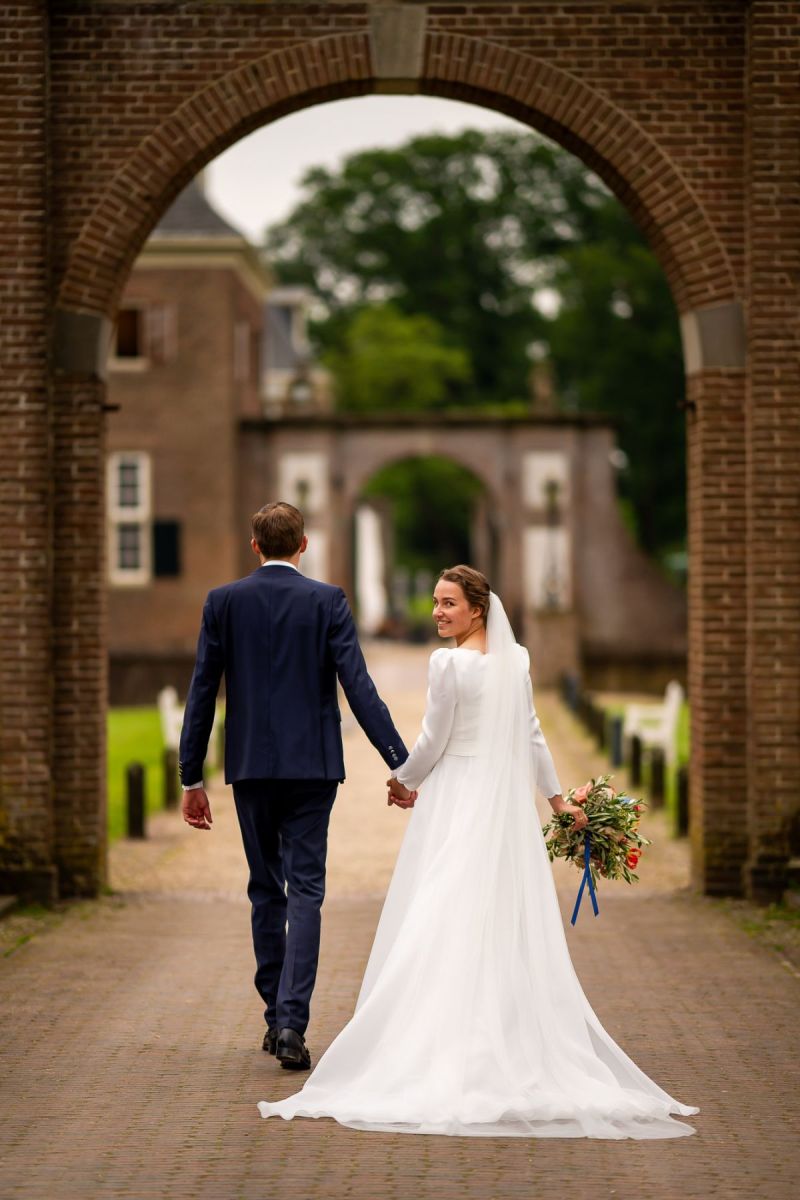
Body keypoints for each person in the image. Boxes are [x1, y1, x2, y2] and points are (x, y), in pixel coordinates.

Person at [257, 565, 700, 1139]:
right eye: (436, 603)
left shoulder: (449, 665)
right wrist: (555, 800)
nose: (438, 612)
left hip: (458, 798)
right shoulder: (516, 662)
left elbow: (436, 739)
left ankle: (446, 1044)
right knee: (491, 913)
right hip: (505, 805)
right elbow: (533, 735)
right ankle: (497, 1039)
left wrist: (403, 780)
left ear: (477, 609)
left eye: (448, 604)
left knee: (442, 911)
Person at [179, 501, 411, 1071]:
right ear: (302, 546)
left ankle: (274, 1015)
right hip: (313, 769)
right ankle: (292, 1022)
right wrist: (400, 762)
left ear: (254, 545)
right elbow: (358, 687)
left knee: (265, 888)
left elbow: (202, 691)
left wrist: (192, 777)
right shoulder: (326, 600)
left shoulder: (223, 602)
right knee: (306, 890)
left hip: (251, 767)